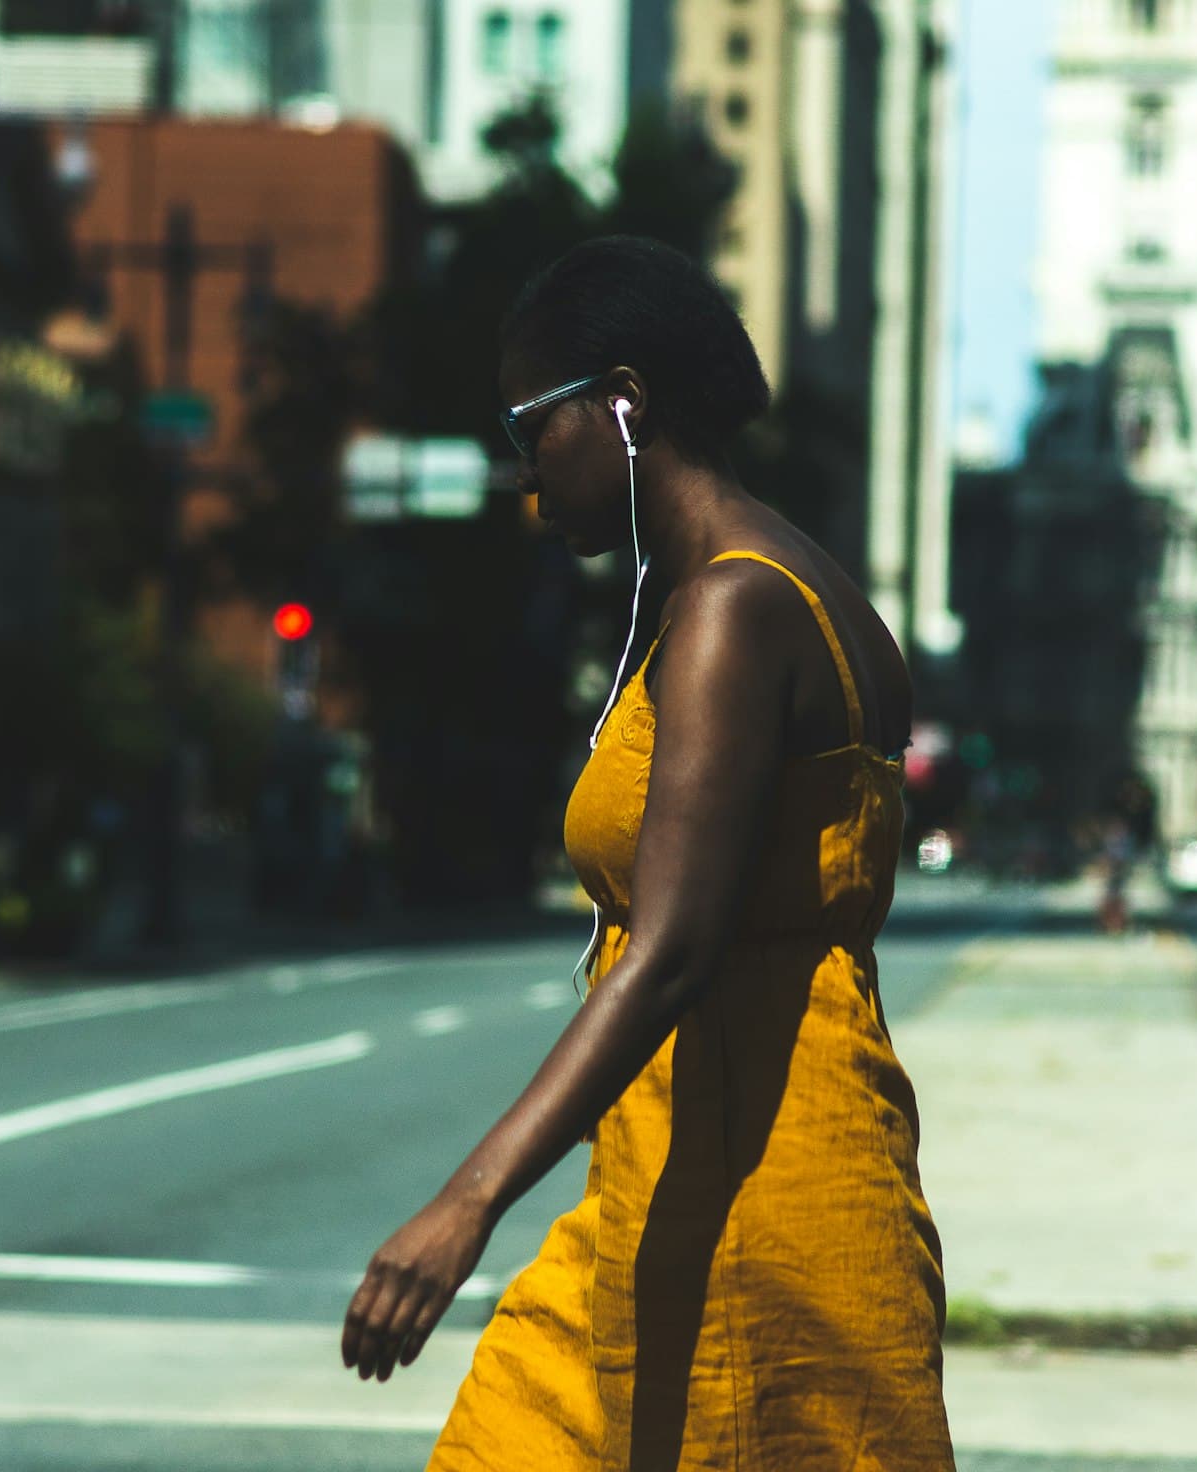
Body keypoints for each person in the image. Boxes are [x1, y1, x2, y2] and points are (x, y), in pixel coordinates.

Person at [341, 236, 955, 1470]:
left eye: (532, 427)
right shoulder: (758, 590)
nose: (524, 473)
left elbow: (671, 948)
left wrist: (465, 1202)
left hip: (756, 1194)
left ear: (622, 403)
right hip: (651, 1181)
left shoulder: (736, 606)